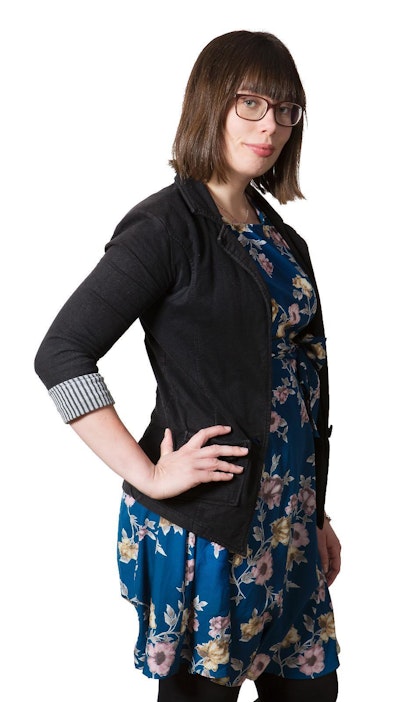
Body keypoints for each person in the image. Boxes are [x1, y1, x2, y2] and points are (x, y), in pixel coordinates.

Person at [35, 30, 341, 702]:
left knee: (314, 692)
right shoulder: (165, 226)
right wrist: (147, 472)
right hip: (210, 530)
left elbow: (303, 383)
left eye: (286, 110)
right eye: (250, 103)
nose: (270, 126)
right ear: (211, 103)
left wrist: (317, 511)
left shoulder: (280, 237)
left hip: (290, 525)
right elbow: (60, 354)